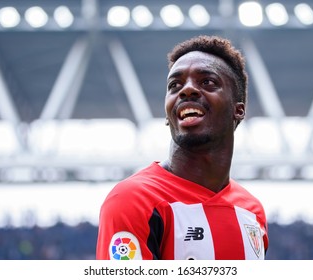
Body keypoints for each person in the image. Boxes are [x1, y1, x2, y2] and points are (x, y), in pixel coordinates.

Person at [96, 35, 269, 260]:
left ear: (238, 110)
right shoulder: (134, 201)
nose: (186, 90)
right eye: (174, 85)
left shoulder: (252, 212)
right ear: (168, 114)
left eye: (207, 81)